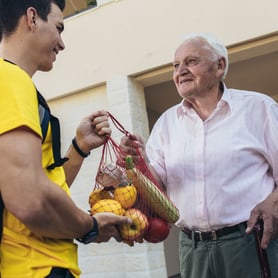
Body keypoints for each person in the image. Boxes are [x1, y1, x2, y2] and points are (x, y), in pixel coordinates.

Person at [119, 32, 278, 278]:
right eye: (175, 65)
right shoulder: (167, 123)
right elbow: (157, 188)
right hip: (192, 248)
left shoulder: (259, 108)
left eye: (191, 61)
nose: (180, 70)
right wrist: (139, 161)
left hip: (249, 241)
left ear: (219, 66)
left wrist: (273, 202)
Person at [0, 1, 132, 277]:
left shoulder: (16, 84)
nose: (62, 44)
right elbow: (30, 198)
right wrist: (90, 226)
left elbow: (41, 184)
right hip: (35, 268)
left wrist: (80, 147)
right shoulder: (10, 79)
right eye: (59, 28)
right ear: (32, 18)